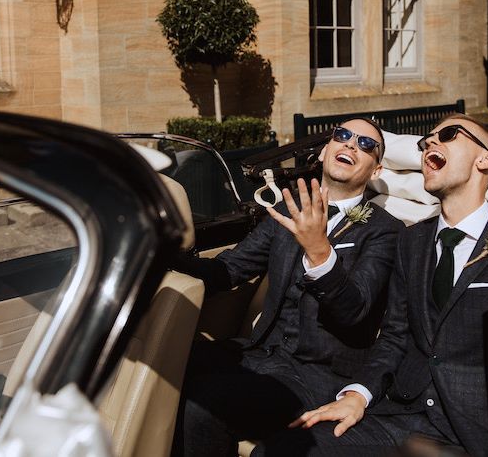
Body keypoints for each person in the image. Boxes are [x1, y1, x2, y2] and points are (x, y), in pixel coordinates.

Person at [258, 114, 488, 457]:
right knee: (282, 451)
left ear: (486, 158)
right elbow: (395, 336)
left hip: (479, 430)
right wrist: (358, 394)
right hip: (401, 414)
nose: (430, 144)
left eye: (449, 135)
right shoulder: (413, 241)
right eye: (426, 141)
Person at [171, 118, 405, 457]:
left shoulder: (385, 231)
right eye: (343, 135)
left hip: (317, 375)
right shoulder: (287, 210)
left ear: (374, 170)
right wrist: (163, 253)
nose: (351, 145)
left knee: (205, 405)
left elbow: (355, 310)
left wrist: (318, 249)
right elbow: (228, 270)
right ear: (326, 151)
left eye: (366, 145)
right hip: (260, 353)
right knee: (167, 361)